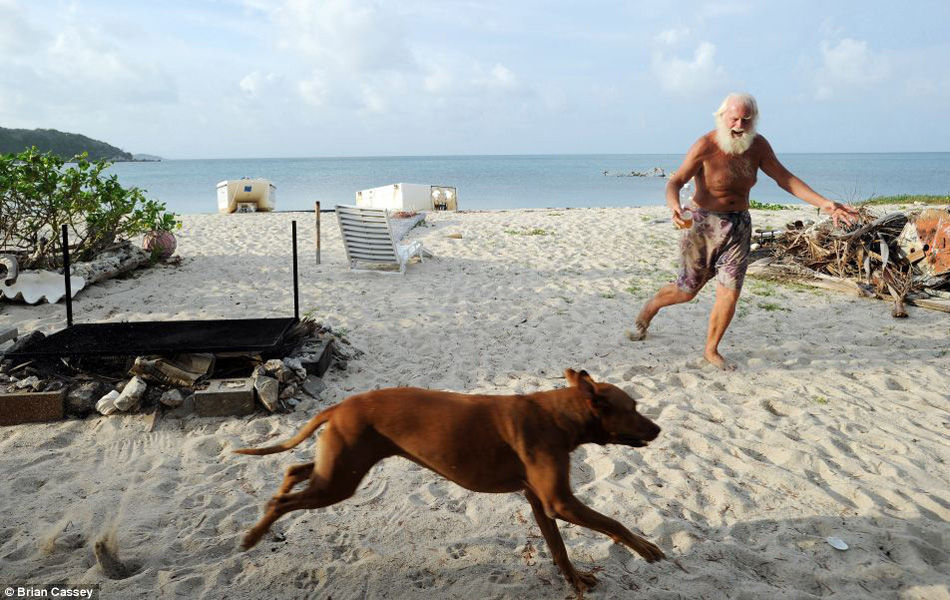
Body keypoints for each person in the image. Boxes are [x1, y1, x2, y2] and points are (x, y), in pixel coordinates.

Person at [626, 92, 859, 370]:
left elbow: (785, 178)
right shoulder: (705, 145)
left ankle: (711, 350)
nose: (739, 125)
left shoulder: (758, 147)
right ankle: (650, 308)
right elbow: (675, 181)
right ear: (721, 117)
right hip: (702, 226)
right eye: (734, 119)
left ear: (754, 121)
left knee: (730, 291)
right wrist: (674, 205)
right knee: (686, 292)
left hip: (738, 227)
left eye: (746, 120)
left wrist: (826, 204)